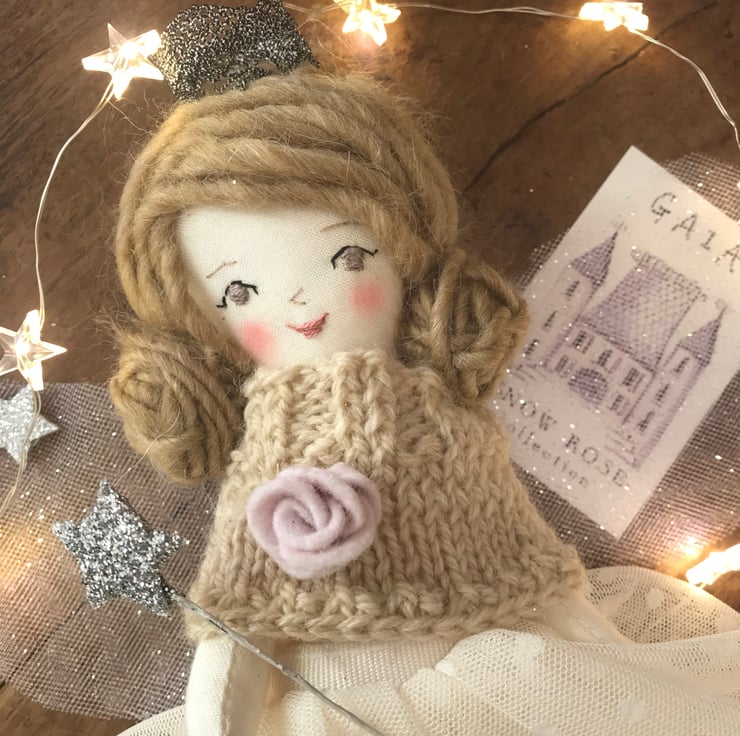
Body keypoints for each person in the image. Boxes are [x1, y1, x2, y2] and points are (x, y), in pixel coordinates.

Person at [111, 66, 740, 736]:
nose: (295, 300)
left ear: (402, 252)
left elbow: (530, 576)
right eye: (239, 292)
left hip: (500, 689)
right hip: (330, 705)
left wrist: (611, 670)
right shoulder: (262, 460)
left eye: (347, 257)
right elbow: (238, 627)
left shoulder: (449, 426)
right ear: (209, 319)